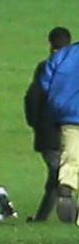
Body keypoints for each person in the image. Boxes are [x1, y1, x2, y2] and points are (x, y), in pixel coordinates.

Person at [24, 26, 72, 221]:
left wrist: (35, 122)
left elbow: (33, 97)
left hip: (49, 132)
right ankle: (47, 218)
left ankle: (49, 218)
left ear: (50, 44)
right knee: (60, 176)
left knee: (58, 176)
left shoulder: (46, 68)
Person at [40, 34, 79, 224]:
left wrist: (57, 103)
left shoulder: (65, 55)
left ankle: (66, 185)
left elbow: (46, 82)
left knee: (71, 155)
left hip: (68, 116)